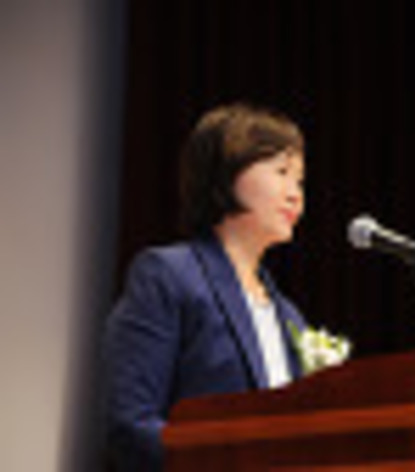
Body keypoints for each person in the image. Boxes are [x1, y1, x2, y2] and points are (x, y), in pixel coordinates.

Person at [102, 103, 308, 471]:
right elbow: (131, 424)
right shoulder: (168, 275)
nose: (295, 194)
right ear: (228, 173)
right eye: (281, 172)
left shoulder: (289, 317)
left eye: (300, 180)